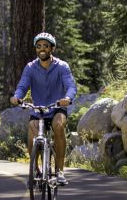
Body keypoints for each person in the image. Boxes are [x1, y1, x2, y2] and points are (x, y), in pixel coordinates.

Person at [10, 32, 77, 185]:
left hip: (56, 107)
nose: (42, 49)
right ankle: (35, 170)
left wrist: (67, 98)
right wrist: (17, 96)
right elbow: (22, 85)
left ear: (51, 48)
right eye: (39, 46)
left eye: (45, 46)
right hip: (38, 109)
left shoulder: (62, 66)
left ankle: (60, 171)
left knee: (58, 126)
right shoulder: (30, 67)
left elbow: (71, 86)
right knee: (32, 131)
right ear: (36, 49)